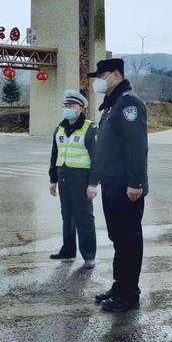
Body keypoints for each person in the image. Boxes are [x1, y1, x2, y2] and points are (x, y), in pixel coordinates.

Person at [88, 58, 148, 313]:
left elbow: (137, 145)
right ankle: (120, 285)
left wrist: (136, 183)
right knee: (118, 239)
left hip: (126, 186)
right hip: (112, 184)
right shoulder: (112, 105)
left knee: (128, 241)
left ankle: (129, 294)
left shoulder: (128, 103)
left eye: (101, 76)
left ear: (115, 74)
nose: (98, 81)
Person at [48, 90, 98, 269]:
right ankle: (68, 251)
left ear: (81, 108)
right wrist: (53, 180)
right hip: (63, 178)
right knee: (67, 216)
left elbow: (96, 158)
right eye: (66, 106)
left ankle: (89, 255)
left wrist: (93, 184)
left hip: (82, 181)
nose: (68, 108)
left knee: (84, 218)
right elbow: (55, 155)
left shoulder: (90, 128)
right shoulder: (60, 128)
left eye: (72, 106)